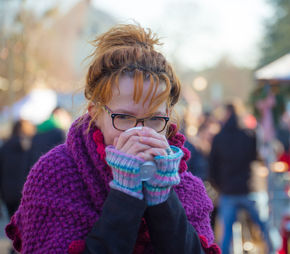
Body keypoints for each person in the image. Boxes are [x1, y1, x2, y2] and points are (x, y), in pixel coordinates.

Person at [6, 24, 220, 254]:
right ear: (96, 114)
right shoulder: (56, 173)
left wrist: (163, 198)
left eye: (155, 119)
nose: (141, 132)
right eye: (125, 117)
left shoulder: (185, 185)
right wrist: (125, 194)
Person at [209, 104, 273, 254]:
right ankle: (274, 250)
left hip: (228, 191)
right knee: (265, 227)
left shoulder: (219, 138)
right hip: (249, 188)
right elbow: (258, 157)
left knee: (226, 235)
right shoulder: (249, 135)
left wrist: (220, 185)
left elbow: (212, 167)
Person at [0, 119, 36, 218]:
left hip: (7, 194)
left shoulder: (4, 147)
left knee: (12, 222)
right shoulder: (27, 147)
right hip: (23, 192)